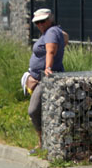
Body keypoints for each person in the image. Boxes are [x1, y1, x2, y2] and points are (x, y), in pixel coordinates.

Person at [27, 8, 65, 153]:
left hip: (47, 78)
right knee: (43, 111)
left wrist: (48, 67)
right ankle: (44, 141)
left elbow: (51, 50)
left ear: (50, 19)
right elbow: (64, 39)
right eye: (37, 22)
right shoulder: (54, 31)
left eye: (43, 21)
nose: (40, 24)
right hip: (39, 77)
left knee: (33, 110)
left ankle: (42, 141)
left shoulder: (51, 32)